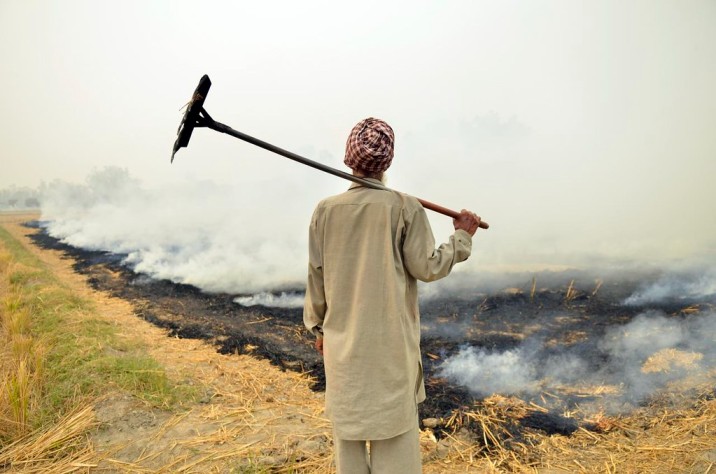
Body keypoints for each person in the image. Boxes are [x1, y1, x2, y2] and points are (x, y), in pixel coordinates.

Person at [303, 118, 481, 473]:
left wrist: (319, 330)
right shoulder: (404, 207)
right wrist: (462, 236)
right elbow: (428, 268)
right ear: (387, 162)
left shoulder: (326, 210)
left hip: (344, 349)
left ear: (348, 159)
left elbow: (316, 277)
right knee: (396, 451)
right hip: (390, 351)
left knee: (349, 448)